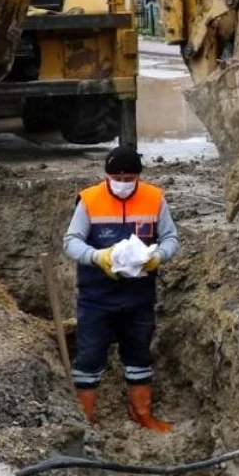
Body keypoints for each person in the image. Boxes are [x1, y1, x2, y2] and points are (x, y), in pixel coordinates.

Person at [62, 146, 179, 430]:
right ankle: (85, 419)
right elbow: (71, 241)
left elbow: (171, 238)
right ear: (107, 175)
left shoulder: (154, 198)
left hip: (139, 295)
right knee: (89, 356)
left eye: (129, 177)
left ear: (138, 175)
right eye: (117, 176)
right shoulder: (90, 200)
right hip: (96, 296)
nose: (123, 182)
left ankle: (141, 413)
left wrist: (157, 258)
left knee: (139, 352)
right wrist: (97, 257)